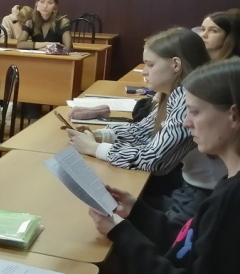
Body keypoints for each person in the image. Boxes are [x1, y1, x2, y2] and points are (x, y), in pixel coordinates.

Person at [85, 59, 240, 274]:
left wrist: (121, 234)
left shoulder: (232, 201)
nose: (186, 121)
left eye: (195, 112)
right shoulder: (228, 184)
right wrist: (137, 213)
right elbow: (190, 243)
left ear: (233, 116)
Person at [68, 28, 211, 200]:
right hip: (186, 183)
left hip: (199, 192)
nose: (144, 71)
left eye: (150, 65)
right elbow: (142, 131)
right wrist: (99, 135)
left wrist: (94, 148)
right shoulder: (175, 93)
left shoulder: (187, 99)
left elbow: (153, 160)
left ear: (175, 64)